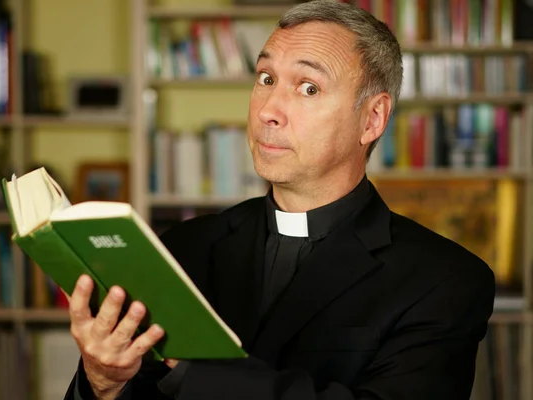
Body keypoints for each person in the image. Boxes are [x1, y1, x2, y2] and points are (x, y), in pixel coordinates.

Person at [65, 1, 495, 399]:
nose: (269, 109)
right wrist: (102, 383)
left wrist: (191, 371)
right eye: (266, 79)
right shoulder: (181, 248)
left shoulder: (445, 281)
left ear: (372, 119)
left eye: (308, 88)